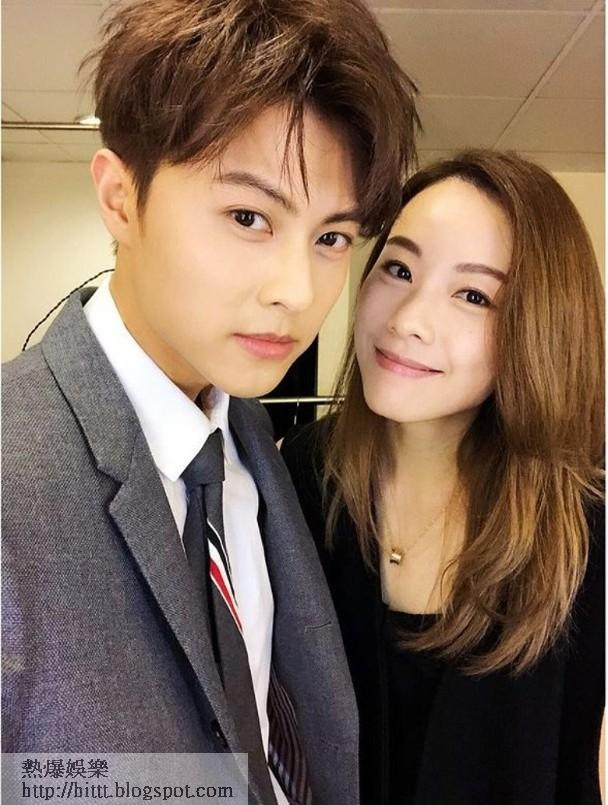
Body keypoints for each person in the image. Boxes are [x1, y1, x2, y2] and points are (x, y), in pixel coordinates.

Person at [1, 2, 420, 804]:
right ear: (121, 198)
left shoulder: (254, 440)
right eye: (248, 216)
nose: (298, 291)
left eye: (331, 237)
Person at [281, 150, 605, 805]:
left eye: (474, 295)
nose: (407, 321)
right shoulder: (295, 479)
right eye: (398, 268)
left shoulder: (586, 535)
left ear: (537, 331)